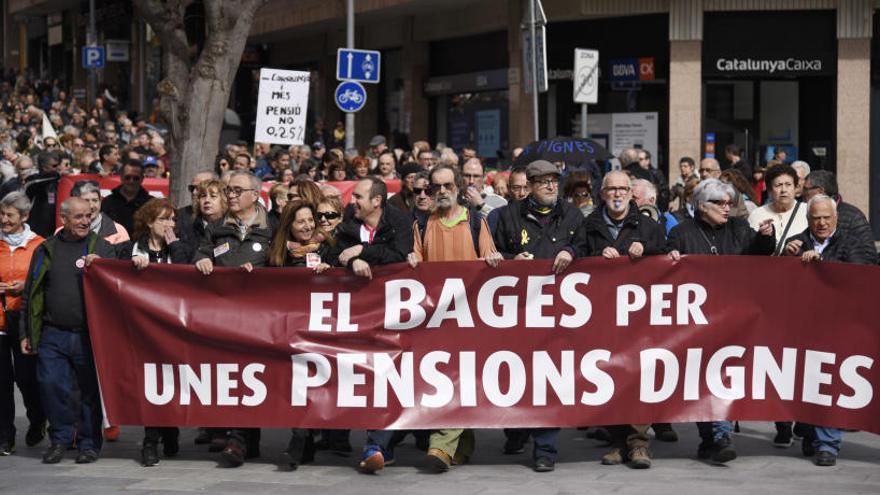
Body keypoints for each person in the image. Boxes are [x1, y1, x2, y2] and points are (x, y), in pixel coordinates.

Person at [366, 164, 501, 475]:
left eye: (446, 185)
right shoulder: (423, 225)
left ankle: (441, 446)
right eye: (435, 186)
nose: (440, 192)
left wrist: (493, 260)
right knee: (450, 381)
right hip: (435, 320)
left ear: (457, 187)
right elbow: (415, 262)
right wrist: (411, 260)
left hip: (469, 318)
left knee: (462, 379)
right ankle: (459, 447)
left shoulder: (477, 222)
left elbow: (491, 259)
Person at [667, 179, 775, 464]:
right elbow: (667, 271)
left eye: (730, 203)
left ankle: (721, 435)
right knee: (702, 378)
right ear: (703, 205)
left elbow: (759, 254)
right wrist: (670, 258)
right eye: (721, 203)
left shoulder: (740, 229)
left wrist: (766, 236)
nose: (728, 208)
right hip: (696, 320)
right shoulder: (681, 233)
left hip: (734, 318)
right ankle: (711, 439)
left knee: (723, 375)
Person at [492, 160, 586, 473]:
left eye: (554, 181)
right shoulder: (507, 215)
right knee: (516, 377)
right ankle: (517, 430)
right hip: (516, 312)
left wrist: (571, 251)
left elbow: (586, 246)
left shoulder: (571, 214)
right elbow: (490, 254)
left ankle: (545, 448)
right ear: (530, 185)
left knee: (547, 379)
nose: (550, 186)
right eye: (543, 181)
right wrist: (510, 260)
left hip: (556, 312)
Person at [21, 197, 117, 465]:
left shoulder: (103, 248)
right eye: (78, 217)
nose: (85, 221)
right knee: (52, 386)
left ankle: (88, 443)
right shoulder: (46, 249)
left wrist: (103, 266)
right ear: (63, 219)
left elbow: (120, 284)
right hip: (53, 333)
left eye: (88, 215)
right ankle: (60, 440)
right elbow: (31, 293)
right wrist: (26, 333)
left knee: (88, 392)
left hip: (88, 334)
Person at [783, 195, 877, 466]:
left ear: (836, 218)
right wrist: (789, 257)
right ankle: (811, 432)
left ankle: (828, 445)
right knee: (808, 382)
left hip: (841, 326)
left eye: (826, 217)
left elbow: (862, 272)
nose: (822, 223)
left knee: (829, 383)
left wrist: (821, 262)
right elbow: (778, 279)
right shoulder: (798, 241)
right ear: (808, 220)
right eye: (816, 218)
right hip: (805, 325)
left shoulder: (852, 242)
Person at [582, 172, 667, 469]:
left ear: (632, 193)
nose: (617, 194)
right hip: (602, 316)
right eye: (611, 189)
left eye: (622, 189)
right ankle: (618, 441)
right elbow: (575, 259)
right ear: (602, 193)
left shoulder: (649, 227)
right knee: (611, 377)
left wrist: (648, 251)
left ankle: (639, 443)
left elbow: (668, 262)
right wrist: (594, 256)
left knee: (638, 378)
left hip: (639, 319)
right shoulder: (589, 226)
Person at [193, 171, 276, 467]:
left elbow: (283, 267)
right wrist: (201, 259)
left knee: (252, 376)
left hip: (260, 318)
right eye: (228, 190)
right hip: (224, 317)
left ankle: (239, 439)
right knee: (235, 375)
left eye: (237, 190)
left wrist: (263, 277)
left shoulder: (273, 227)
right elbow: (201, 253)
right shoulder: (217, 227)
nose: (230, 195)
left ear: (255, 195)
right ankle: (243, 439)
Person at [128, 199, 189, 466]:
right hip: (144, 328)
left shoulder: (179, 247)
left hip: (174, 327)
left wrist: (174, 242)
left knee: (171, 382)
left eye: (173, 219)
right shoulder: (132, 249)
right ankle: (151, 441)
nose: (170, 224)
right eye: (164, 219)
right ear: (150, 222)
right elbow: (107, 266)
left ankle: (170, 428)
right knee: (152, 384)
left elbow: (186, 268)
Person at [0, 192, 46, 455]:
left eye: (10, 216)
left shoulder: (39, 244)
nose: (4, 220)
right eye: (2, 214)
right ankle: (5, 436)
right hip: (0, 319)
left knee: (26, 378)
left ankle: (38, 417)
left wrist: (25, 285)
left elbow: (45, 278)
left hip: (25, 320)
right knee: (1, 381)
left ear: (24, 217)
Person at [332, 177, 412, 281]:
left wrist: (363, 250)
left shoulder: (399, 221)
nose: (352, 201)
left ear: (376, 201)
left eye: (358, 197)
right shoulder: (349, 218)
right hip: (354, 292)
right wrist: (353, 261)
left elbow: (399, 255)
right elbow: (335, 254)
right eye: (353, 196)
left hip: (392, 291)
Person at [800, 170, 875, 262]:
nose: (802, 193)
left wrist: (822, 259)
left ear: (820, 191)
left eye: (806, 189)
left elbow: (869, 256)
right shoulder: (804, 211)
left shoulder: (853, 217)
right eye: (816, 218)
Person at [748, 164, 807, 256]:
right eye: (778, 185)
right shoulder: (757, 214)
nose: (783, 190)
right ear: (770, 190)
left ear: (796, 188)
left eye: (788, 185)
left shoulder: (807, 211)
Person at [101, 158, 152, 234]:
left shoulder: (151, 204)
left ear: (142, 179)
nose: (131, 181)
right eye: (127, 177)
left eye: (136, 178)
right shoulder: (107, 202)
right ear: (121, 177)